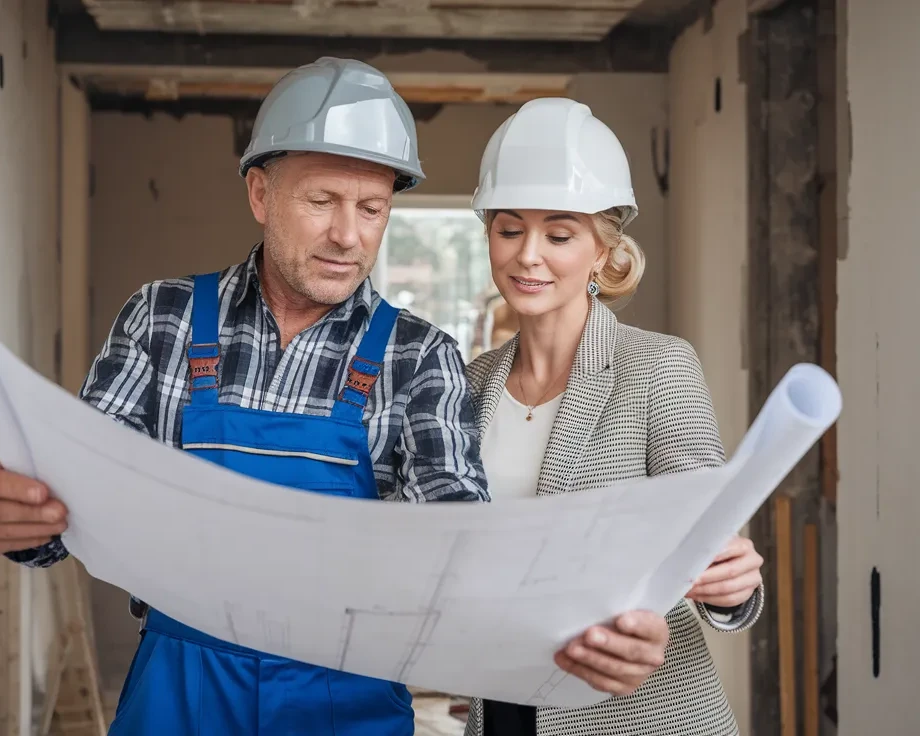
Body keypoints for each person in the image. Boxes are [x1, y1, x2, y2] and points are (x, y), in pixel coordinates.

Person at [0, 60, 677, 735]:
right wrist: (27, 523)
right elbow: (71, 509)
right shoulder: (162, 318)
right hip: (180, 692)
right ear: (261, 194)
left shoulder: (418, 358)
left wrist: (583, 633)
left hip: (343, 702)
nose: (348, 236)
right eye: (321, 201)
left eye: (372, 208)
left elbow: (460, 551)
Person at [463, 97, 766, 736]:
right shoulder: (471, 383)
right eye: (510, 228)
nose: (528, 256)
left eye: (560, 234)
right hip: (504, 708)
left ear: (603, 252)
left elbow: (708, 538)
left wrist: (732, 586)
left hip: (641, 715)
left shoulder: (657, 367)